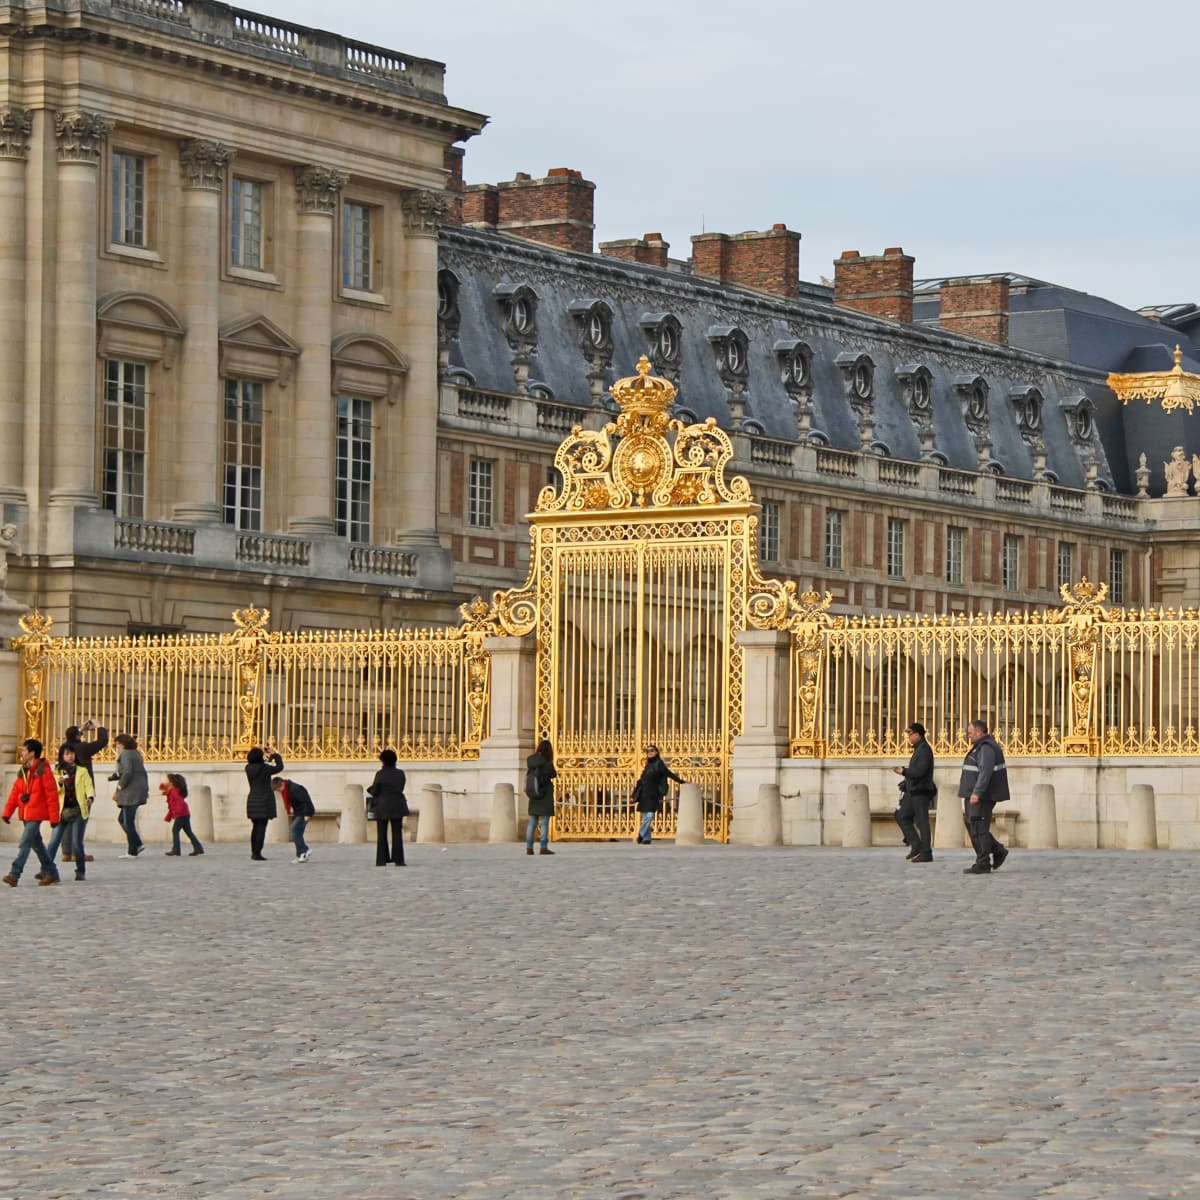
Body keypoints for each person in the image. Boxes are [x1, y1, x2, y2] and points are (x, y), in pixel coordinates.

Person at [3, 738, 61, 887]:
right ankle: (52, 873)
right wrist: (7, 812)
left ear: (32, 753)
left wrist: (54, 818)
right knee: (38, 845)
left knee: (25, 843)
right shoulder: (23, 770)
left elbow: (52, 795)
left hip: (36, 814)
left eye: (24, 750)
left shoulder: (43, 770)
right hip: (26, 812)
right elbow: (15, 792)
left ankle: (14, 874)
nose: (21, 752)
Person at [959, 719, 1011, 875]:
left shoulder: (986, 748)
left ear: (979, 732)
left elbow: (985, 772)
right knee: (973, 825)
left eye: (970, 733)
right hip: (975, 793)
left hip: (981, 796)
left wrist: (977, 792)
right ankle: (997, 850)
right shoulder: (981, 747)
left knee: (979, 827)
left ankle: (983, 862)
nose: (968, 736)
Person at [57, 720, 107, 866]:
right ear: (78, 736)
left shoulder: (65, 748)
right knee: (79, 821)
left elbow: (71, 738)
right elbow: (102, 741)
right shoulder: (83, 748)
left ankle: (66, 852)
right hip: (82, 787)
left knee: (66, 819)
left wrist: (80, 729)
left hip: (67, 787)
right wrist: (98, 726)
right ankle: (76, 852)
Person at [48, 745, 95, 880]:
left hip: (78, 810)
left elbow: (88, 786)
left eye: (72, 753)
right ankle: (46, 869)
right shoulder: (57, 772)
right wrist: (60, 783)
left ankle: (80, 871)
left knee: (76, 843)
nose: (70, 756)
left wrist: (90, 798)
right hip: (62, 811)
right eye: (67, 754)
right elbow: (53, 790)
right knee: (54, 842)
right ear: (62, 756)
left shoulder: (82, 770)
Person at [892, 722, 936, 863]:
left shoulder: (924, 750)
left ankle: (926, 852)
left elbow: (920, 772)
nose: (909, 737)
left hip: (920, 791)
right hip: (913, 790)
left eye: (910, 734)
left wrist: (904, 771)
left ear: (918, 735)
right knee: (902, 815)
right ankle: (916, 844)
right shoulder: (919, 749)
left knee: (922, 822)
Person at [632, 744, 684, 845]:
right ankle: (646, 839)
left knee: (649, 815)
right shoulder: (647, 765)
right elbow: (641, 781)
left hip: (653, 794)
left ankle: (641, 834)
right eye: (648, 751)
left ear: (656, 752)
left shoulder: (659, 764)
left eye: (652, 750)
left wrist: (681, 781)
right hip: (644, 794)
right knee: (645, 816)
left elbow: (669, 774)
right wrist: (633, 795)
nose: (649, 753)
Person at [366, 749, 409, 867]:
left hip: (382, 805)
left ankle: (382, 859)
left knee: (382, 834)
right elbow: (400, 787)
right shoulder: (400, 773)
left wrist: (369, 789)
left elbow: (375, 790)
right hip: (397, 804)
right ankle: (399, 859)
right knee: (397, 834)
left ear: (383, 761)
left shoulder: (380, 773)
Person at [111, 733, 149, 858]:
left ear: (123, 744)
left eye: (118, 744)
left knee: (127, 821)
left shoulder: (126, 754)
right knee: (123, 819)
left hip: (130, 791)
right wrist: (115, 777)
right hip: (138, 788)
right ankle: (136, 844)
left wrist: (119, 787)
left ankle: (133, 849)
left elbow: (127, 772)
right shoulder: (136, 753)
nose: (117, 747)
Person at [245, 746, 284, 861]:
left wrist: (265, 756)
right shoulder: (265, 768)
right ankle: (257, 852)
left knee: (255, 827)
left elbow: (262, 763)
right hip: (264, 800)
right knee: (261, 828)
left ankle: (253, 851)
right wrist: (274, 754)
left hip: (252, 799)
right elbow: (279, 767)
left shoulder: (248, 768)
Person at [525, 739, 558, 855]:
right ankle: (543, 846)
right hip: (545, 794)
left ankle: (529, 847)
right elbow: (553, 774)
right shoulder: (547, 763)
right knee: (544, 822)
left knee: (532, 821)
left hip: (534, 793)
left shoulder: (530, 760)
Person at [272, 775, 315, 863]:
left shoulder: (295, 789)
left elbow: (306, 800)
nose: (279, 791)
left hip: (304, 812)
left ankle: (304, 851)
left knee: (294, 830)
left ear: (282, 784)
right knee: (297, 833)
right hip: (299, 812)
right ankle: (301, 854)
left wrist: (307, 814)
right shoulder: (288, 789)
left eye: (279, 789)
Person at [161, 773, 204, 857]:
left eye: (168, 780)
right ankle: (198, 848)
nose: (166, 782)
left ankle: (176, 849)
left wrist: (177, 813)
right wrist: (169, 816)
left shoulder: (174, 791)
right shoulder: (174, 790)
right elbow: (172, 805)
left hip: (181, 814)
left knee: (175, 830)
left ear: (172, 782)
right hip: (184, 813)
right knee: (188, 831)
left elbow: (178, 802)